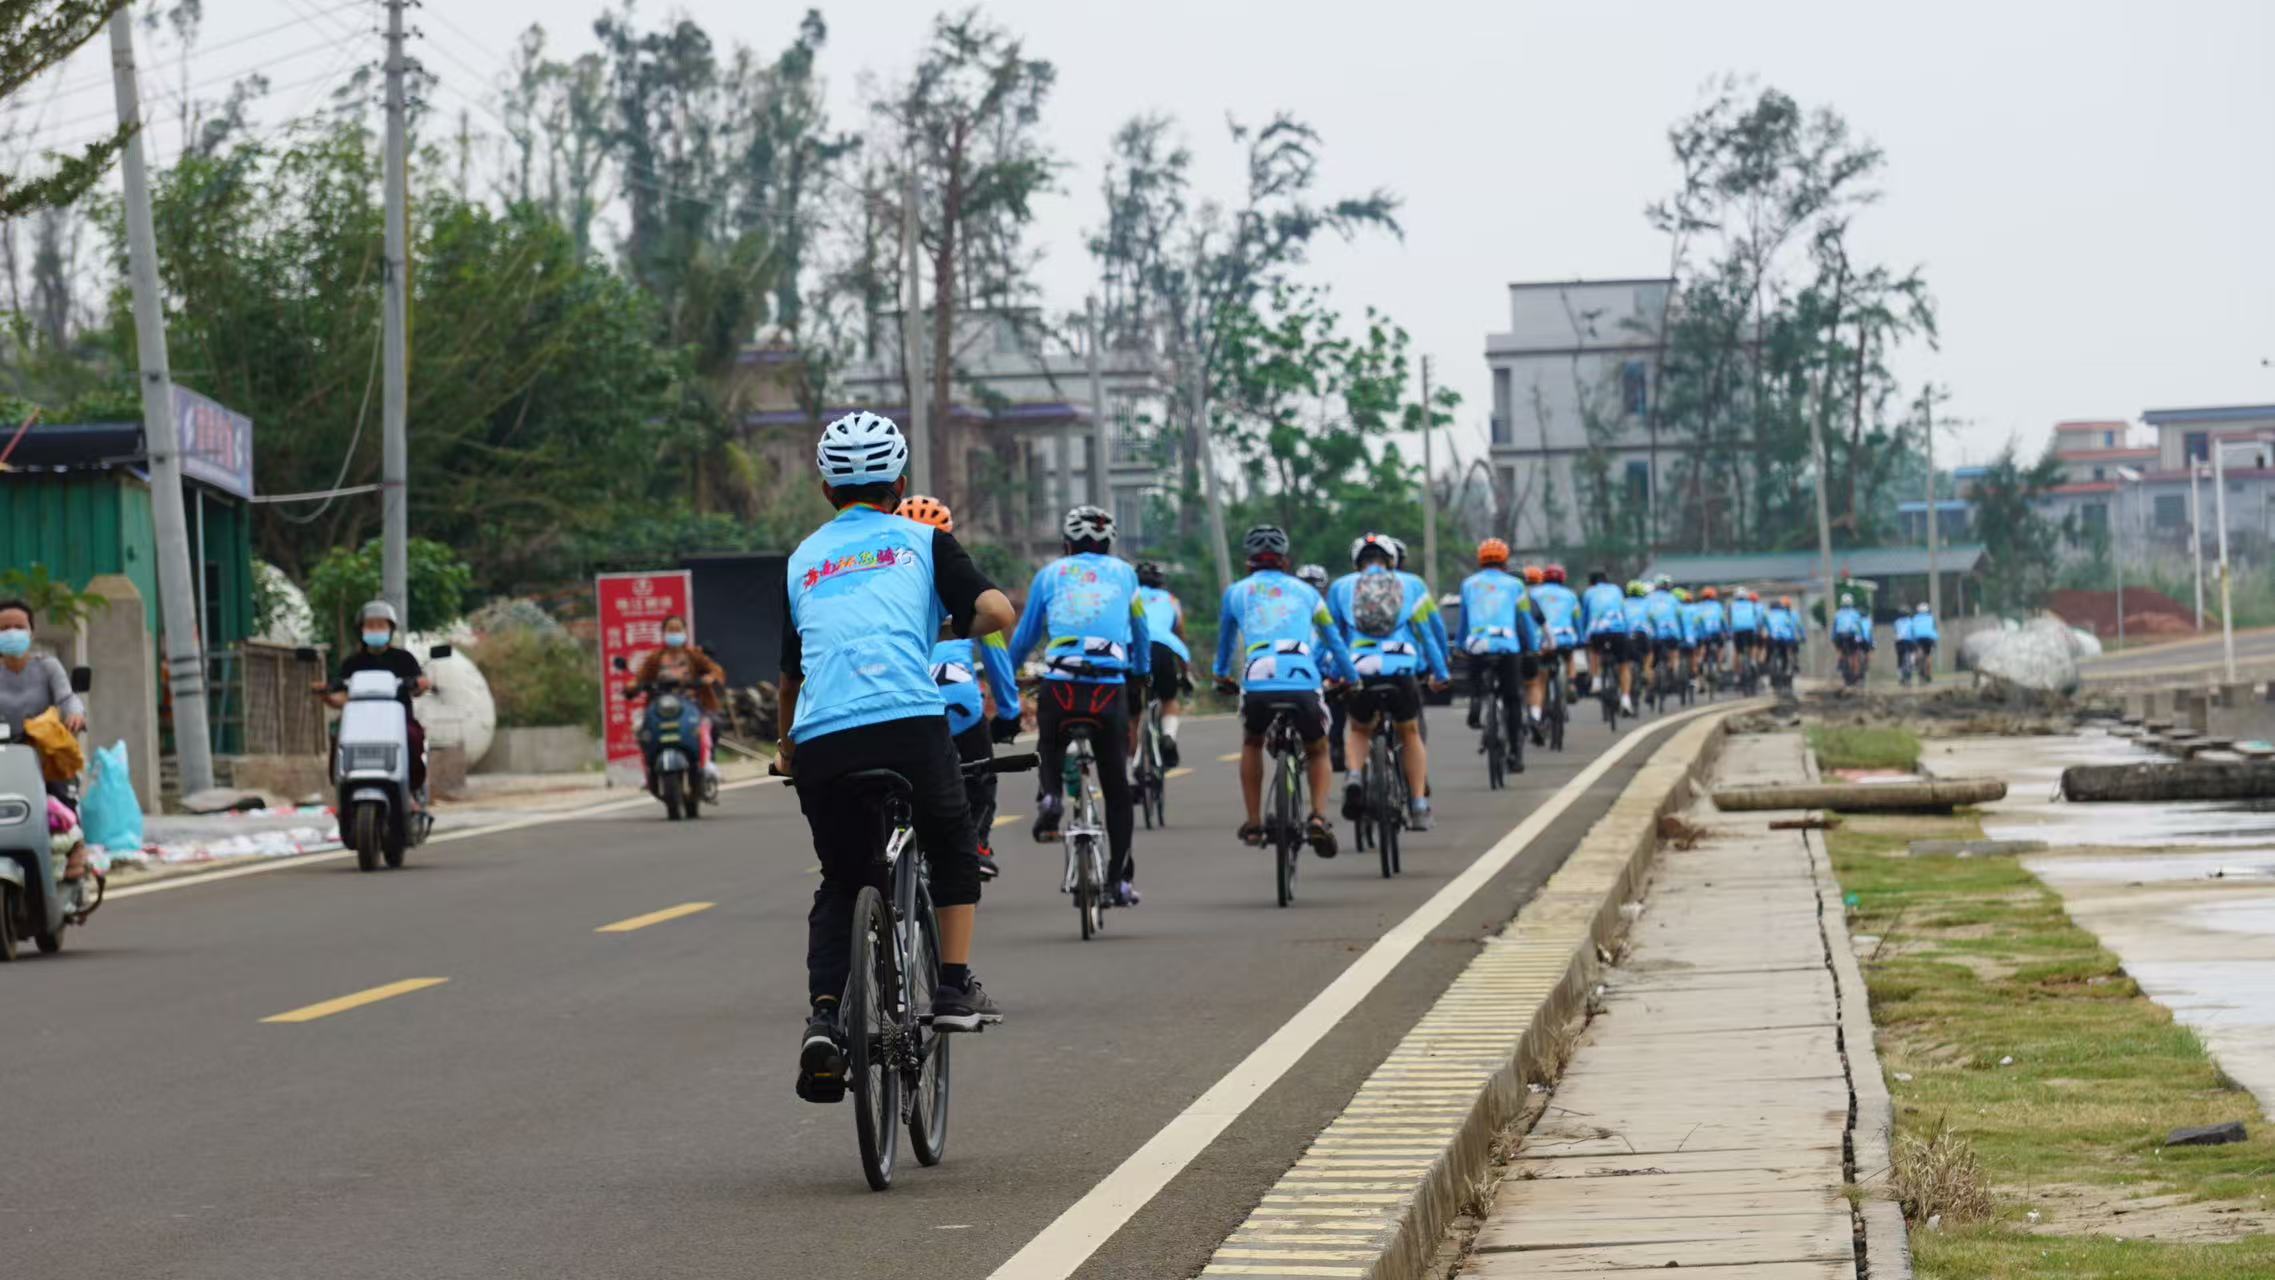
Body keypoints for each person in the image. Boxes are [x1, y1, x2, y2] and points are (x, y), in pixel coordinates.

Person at [777, 411, 1017, 1104]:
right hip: (909, 724)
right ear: (901, 484)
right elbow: (997, 614)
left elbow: (790, 675)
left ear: (826, 490)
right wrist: (943, 624)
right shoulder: (925, 541)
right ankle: (953, 987)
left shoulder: (802, 559)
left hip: (823, 735)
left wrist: (787, 749)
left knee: (840, 879)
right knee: (953, 847)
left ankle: (825, 1019)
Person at [1009, 504, 1151, 907]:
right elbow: (1140, 628)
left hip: (1062, 682)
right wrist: (1141, 672)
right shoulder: (1125, 574)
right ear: (1109, 544)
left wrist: (1008, 675)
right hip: (1108, 688)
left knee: (1050, 742)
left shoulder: (1049, 574)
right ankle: (1117, 881)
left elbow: (1026, 635)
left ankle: (1051, 796)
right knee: (1116, 788)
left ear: (1067, 544)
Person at [899, 494, 1022, 881]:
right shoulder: (968, 591)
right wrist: (1010, 712)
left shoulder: (887, 592)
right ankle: (979, 843)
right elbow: (998, 661)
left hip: (902, 704)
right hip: (960, 704)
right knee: (980, 776)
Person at [1214, 525, 1356, 853]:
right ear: (1285, 562)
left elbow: (1225, 645)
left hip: (1257, 677)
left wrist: (1220, 676)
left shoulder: (1236, 593)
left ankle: (1253, 822)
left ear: (1249, 563)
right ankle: (1318, 817)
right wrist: (1351, 678)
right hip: (1302, 676)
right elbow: (1333, 640)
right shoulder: (1308, 593)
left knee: (1252, 741)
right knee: (1317, 748)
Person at [1330, 532, 1450, 832]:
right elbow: (1428, 634)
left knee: (1359, 729)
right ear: (1392, 560)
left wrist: (1331, 672)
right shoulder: (1412, 584)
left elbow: (1332, 637)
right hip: (1401, 666)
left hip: (1360, 667)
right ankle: (1419, 806)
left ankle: (1354, 776)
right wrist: (1441, 672)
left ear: (1357, 562)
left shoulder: (1341, 587)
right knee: (1409, 733)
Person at [0, 598, 91, 877]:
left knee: (61, 792)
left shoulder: (48, 667)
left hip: (42, 752)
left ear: (31, 632)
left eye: (19, 627)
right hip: (4, 755)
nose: (11, 633)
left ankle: (75, 848)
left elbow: (67, 698)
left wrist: (75, 715)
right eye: (4, 628)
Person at [315, 601, 431, 808]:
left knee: (413, 737)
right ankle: (341, 792)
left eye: (380, 625)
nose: (375, 630)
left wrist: (422, 684)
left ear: (390, 629)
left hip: (397, 722)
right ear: (361, 630)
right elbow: (342, 697)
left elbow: (417, 687)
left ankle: (411, 790)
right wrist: (326, 695)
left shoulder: (404, 659)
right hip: (359, 724)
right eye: (370, 625)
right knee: (338, 736)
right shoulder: (352, 663)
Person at [1459, 540, 1538, 771]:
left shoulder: (1469, 584)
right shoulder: (1515, 585)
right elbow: (1524, 619)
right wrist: (1532, 648)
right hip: (1507, 645)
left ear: (1480, 560)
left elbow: (1464, 620)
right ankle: (1515, 753)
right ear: (1505, 561)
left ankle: (1476, 701)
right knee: (1512, 699)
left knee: (1476, 678)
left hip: (1478, 644)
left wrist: (1461, 645)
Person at [629, 614, 726, 786]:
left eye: (677, 629)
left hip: (691, 703)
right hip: (661, 706)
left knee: (710, 723)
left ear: (685, 632)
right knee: (641, 729)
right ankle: (649, 769)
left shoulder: (694, 656)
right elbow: (640, 678)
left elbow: (715, 670)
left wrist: (710, 678)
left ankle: (708, 763)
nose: (674, 633)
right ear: (663, 633)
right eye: (670, 630)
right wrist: (632, 686)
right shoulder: (655, 658)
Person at [1133, 561, 1190, 768]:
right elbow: (1179, 635)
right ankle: (1168, 735)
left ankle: (1132, 762)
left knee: (1131, 710)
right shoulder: (1171, 599)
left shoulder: (1128, 597)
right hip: (1163, 648)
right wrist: (1185, 674)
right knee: (1169, 698)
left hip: (1132, 648)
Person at [1296, 564, 1345, 770]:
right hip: (1299, 671)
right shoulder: (1289, 614)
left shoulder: (1328, 613)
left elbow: (1335, 644)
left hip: (1325, 671)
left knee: (1339, 696)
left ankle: (1336, 744)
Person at [1529, 564, 1582, 727]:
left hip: (1543, 641)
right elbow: (1577, 618)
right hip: (1565, 638)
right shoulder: (1571, 595)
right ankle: (1571, 683)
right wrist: (1581, 638)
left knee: (1540, 677)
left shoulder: (1534, 593)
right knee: (1570, 657)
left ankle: (1537, 713)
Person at [1580, 571, 1634, 716]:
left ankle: (1596, 680)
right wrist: (1628, 632)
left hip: (1597, 631)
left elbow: (1585, 616)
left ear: (1591, 582)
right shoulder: (1616, 590)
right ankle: (1626, 699)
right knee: (1624, 665)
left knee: (1594, 650)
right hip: (1618, 630)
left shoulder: (1589, 592)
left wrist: (1583, 635)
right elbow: (1623, 612)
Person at [1832, 592, 1872, 681]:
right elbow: (1859, 627)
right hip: (1852, 635)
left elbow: (1834, 628)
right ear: (1851, 603)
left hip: (1840, 636)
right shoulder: (1855, 614)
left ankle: (1840, 659)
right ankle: (1856, 673)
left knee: (1839, 649)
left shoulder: (1837, 614)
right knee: (1855, 653)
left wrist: (1833, 638)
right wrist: (1861, 637)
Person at [1764, 595, 1804, 677]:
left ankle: (1767, 663)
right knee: (1786, 652)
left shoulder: (1770, 614)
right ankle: (1793, 664)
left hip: (1774, 638)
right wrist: (1803, 636)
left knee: (1769, 649)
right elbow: (1796, 626)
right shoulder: (1788, 615)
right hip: (1787, 638)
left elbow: (1768, 626)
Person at [1728, 588, 1763, 675]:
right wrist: (1758, 629)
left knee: (1737, 651)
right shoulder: (1752, 605)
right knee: (1753, 645)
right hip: (1750, 629)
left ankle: (1736, 674)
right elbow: (1757, 619)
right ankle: (1753, 661)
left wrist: (1729, 632)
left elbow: (1729, 620)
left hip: (1737, 630)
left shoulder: (1731, 606)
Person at [1911, 602, 1940, 682]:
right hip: (1929, 638)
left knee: (1919, 654)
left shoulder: (1915, 618)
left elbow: (1912, 630)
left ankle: (1920, 671)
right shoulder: (1931, 618)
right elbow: (1934, 629)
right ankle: (1928, 674)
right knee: (1928, 656)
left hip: (1918, 638)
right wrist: (1935, 640)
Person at [1892, 607, 1917, 682]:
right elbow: (1914, 632)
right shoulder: (1911, 621)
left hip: (1899, 641)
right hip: (1909, 641)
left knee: (1899, 658)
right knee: (1912, 653)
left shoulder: (1896, 622)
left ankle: (1900, 676)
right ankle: (1912, 664)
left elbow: (1895, 631)